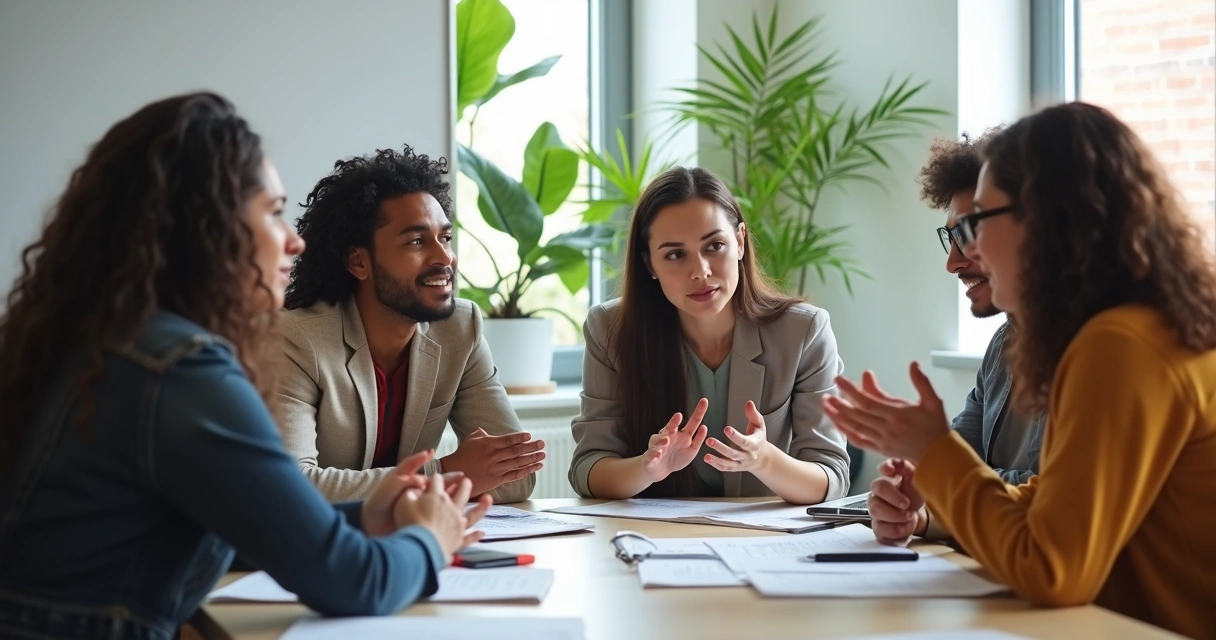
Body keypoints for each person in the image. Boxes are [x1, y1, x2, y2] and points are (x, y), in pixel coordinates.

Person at [0, 93, 490, 640]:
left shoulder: (101, 344)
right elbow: (354, 583)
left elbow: (228, 525)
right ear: (210, 227)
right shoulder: (183, 369)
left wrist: (365, 518)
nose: (295, 240)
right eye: (274, 212)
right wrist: (429, 538)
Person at [823, 102, 1216, 638]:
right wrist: (931, 496)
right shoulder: (1126, 330)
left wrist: (936, 452)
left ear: (1049, 220)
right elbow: (1051, 499)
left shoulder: (1121, 344)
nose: (971, 250)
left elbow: (1053, 569)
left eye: (979, 222)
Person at [570, 166, 851, 502]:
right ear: (650, 265)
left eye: (714, 245)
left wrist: (765, 460)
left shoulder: (804, 331)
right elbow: (588, 469)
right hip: (654, 540)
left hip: (761, 542)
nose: (700, 271)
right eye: (675, 255)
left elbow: (831, 477)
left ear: (740, 242)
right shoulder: (609, 330)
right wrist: (647, 468)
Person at [280, 146, 542, 503]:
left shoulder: (460, 329)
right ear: (359, 262)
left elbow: (515, 477)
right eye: (417, 241)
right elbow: (290, 488)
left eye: (445, 238)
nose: (445, 257)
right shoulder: (296, 339)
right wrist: (444, 474)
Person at [867, 129, 1046, 545]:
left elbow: (1046, 492)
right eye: (952, 237)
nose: (953, 263)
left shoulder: (1097, 350)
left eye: (969, 234)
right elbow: (954, 462)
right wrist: (915, 502)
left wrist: (939, 479)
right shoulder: (1004, 343)